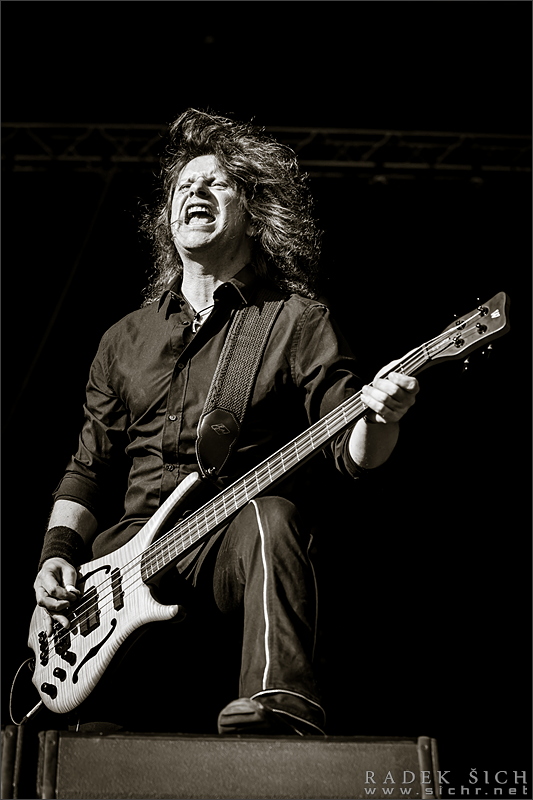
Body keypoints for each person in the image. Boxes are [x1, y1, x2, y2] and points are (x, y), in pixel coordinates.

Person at [33, 108, 419, 736]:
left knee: (274, 516)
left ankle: (280, 699)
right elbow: (88, 469)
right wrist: (56, 555)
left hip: (224, 541)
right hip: (120, 568)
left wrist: (383, 415)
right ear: (168, 216)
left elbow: (354, 452)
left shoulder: (295, 320)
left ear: (253, 212)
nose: (196, 191)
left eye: (217, 183)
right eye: (185, 184)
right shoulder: (124, 339)